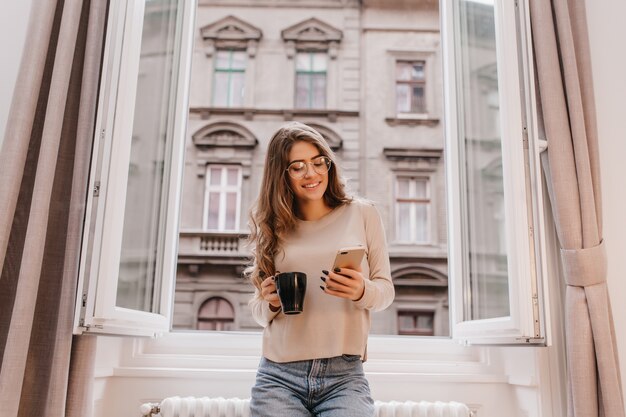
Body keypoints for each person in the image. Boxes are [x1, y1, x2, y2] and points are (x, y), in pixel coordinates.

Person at [245, 121, 395, 417]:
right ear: (281, 175)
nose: (311, 173)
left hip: (344, 376)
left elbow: (386, 291)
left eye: (318, 162)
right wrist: (271, 302)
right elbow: (260, 313)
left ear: (329, 163)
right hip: (279, 376)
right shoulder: (273, 226)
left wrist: (362, 290)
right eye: (297, 166)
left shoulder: (363, 213)